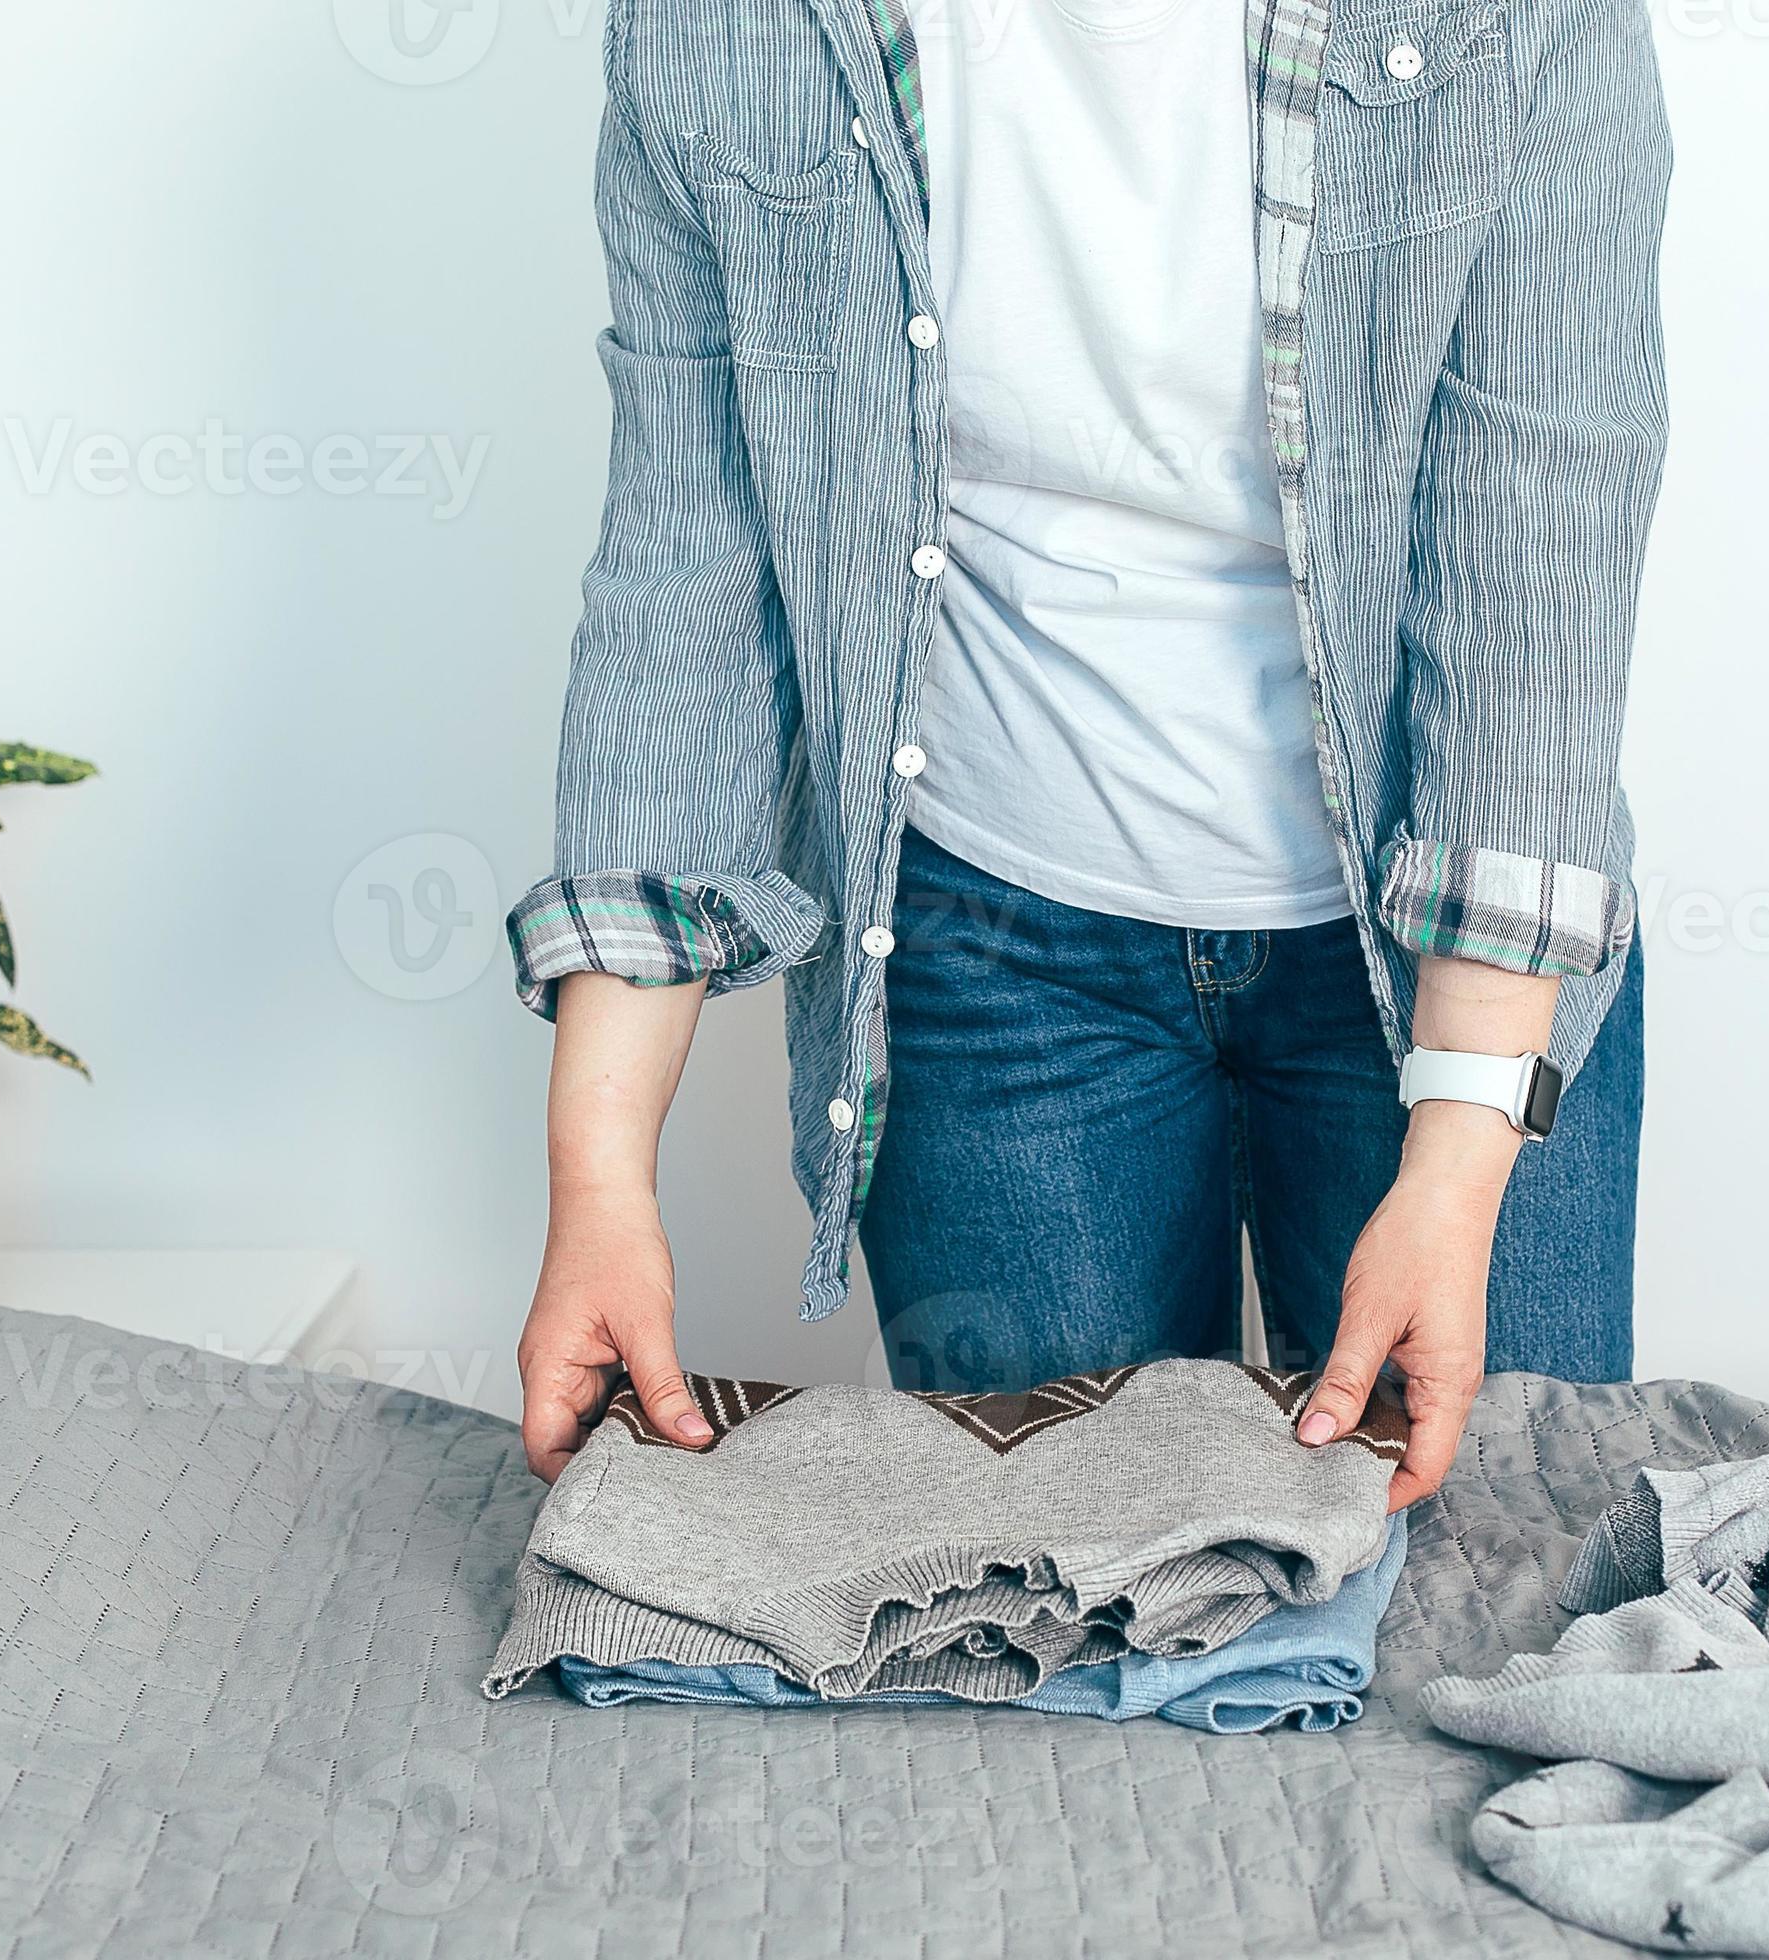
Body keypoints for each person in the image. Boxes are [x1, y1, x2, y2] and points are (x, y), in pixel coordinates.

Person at [511, 0, 1670, 1514]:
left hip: (1451, 953)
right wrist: (600, 1170)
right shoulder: (722, 26)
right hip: (992, 966)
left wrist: (1457, 1152)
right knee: (1063, 1616)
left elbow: (1540, 547)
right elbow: (688, 565)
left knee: (1499, 1578)